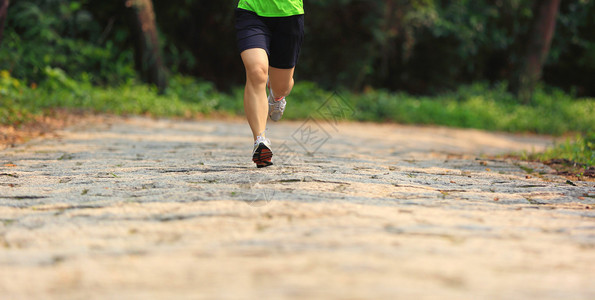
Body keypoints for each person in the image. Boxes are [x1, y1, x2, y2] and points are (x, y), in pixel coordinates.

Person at [235, 0, 304, 168]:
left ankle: (276, 95)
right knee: (257, 72)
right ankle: (260, 141)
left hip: (289, 14)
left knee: (282, 85)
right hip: (251, 11)